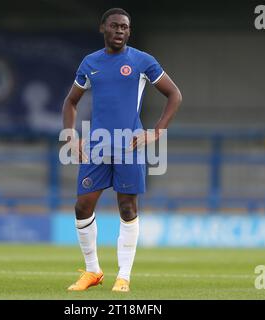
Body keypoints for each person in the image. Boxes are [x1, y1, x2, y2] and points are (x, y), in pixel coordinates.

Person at [62, 7, 182, 292]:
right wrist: (70, 136)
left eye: (125, 27)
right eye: (115, 26)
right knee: (82, 205)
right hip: (97, 146)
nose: (120, 31)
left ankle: (123, 276)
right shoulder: (90, 62)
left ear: (129, 31)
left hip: (130, 147)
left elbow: (174, 94)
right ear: (103, 28)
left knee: (127, 207)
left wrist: (156, 131)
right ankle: (92, 272)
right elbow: (70, 102)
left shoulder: (142, 61)